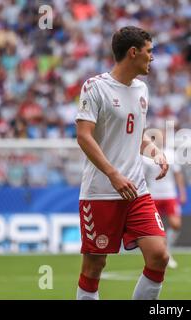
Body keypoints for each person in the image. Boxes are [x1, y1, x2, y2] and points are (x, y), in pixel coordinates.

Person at [75, 26, 169, 300]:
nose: (152, 58)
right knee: (94, 266)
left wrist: (154, 151)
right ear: (133, 52)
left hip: (136, 190)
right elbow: (83, 136)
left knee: (159, 255)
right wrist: (113, 174)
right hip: (101, 191)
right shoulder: (95, 87)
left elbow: (135, 134)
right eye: (149, 52)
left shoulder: (142, 89)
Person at [143, 129, 187, 269]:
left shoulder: (171, 154)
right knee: (156, 230)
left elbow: (178, 174)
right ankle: (158, 255)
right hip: (153, 195)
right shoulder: (147, 156)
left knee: (176, 224)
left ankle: (167, 251)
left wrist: (182, 192)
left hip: (169, 195)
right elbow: (142, 176)